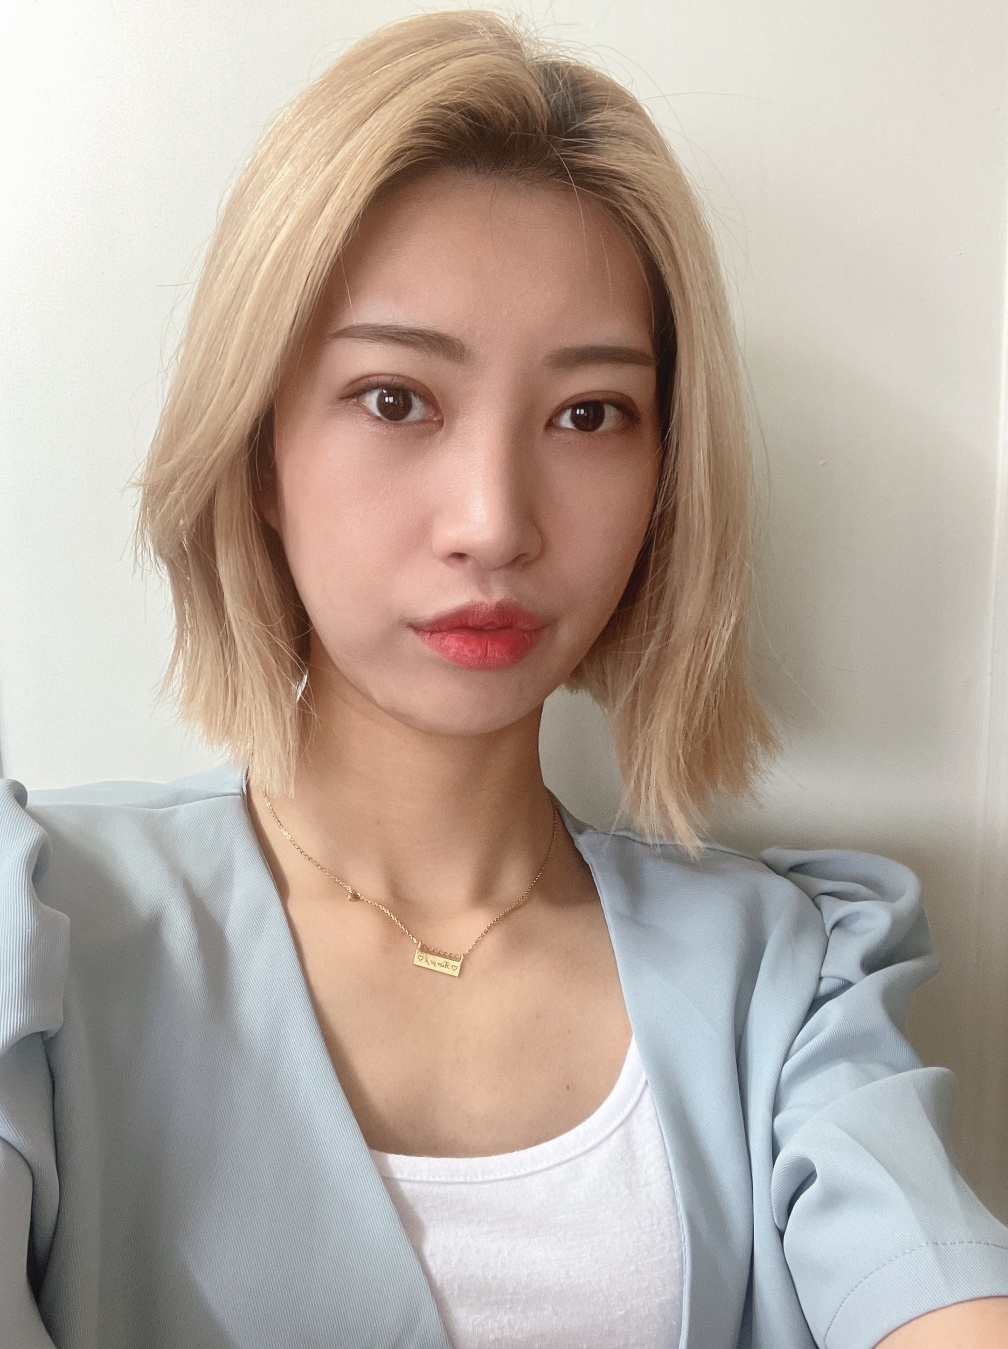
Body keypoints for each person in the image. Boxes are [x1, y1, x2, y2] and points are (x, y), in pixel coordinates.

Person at [1, 9, 1007, 1348]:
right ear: (259, 451)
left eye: (589, 414)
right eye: (395, 398)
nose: (494, 521)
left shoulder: (788, 976)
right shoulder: (45, 932)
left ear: (665, 478)